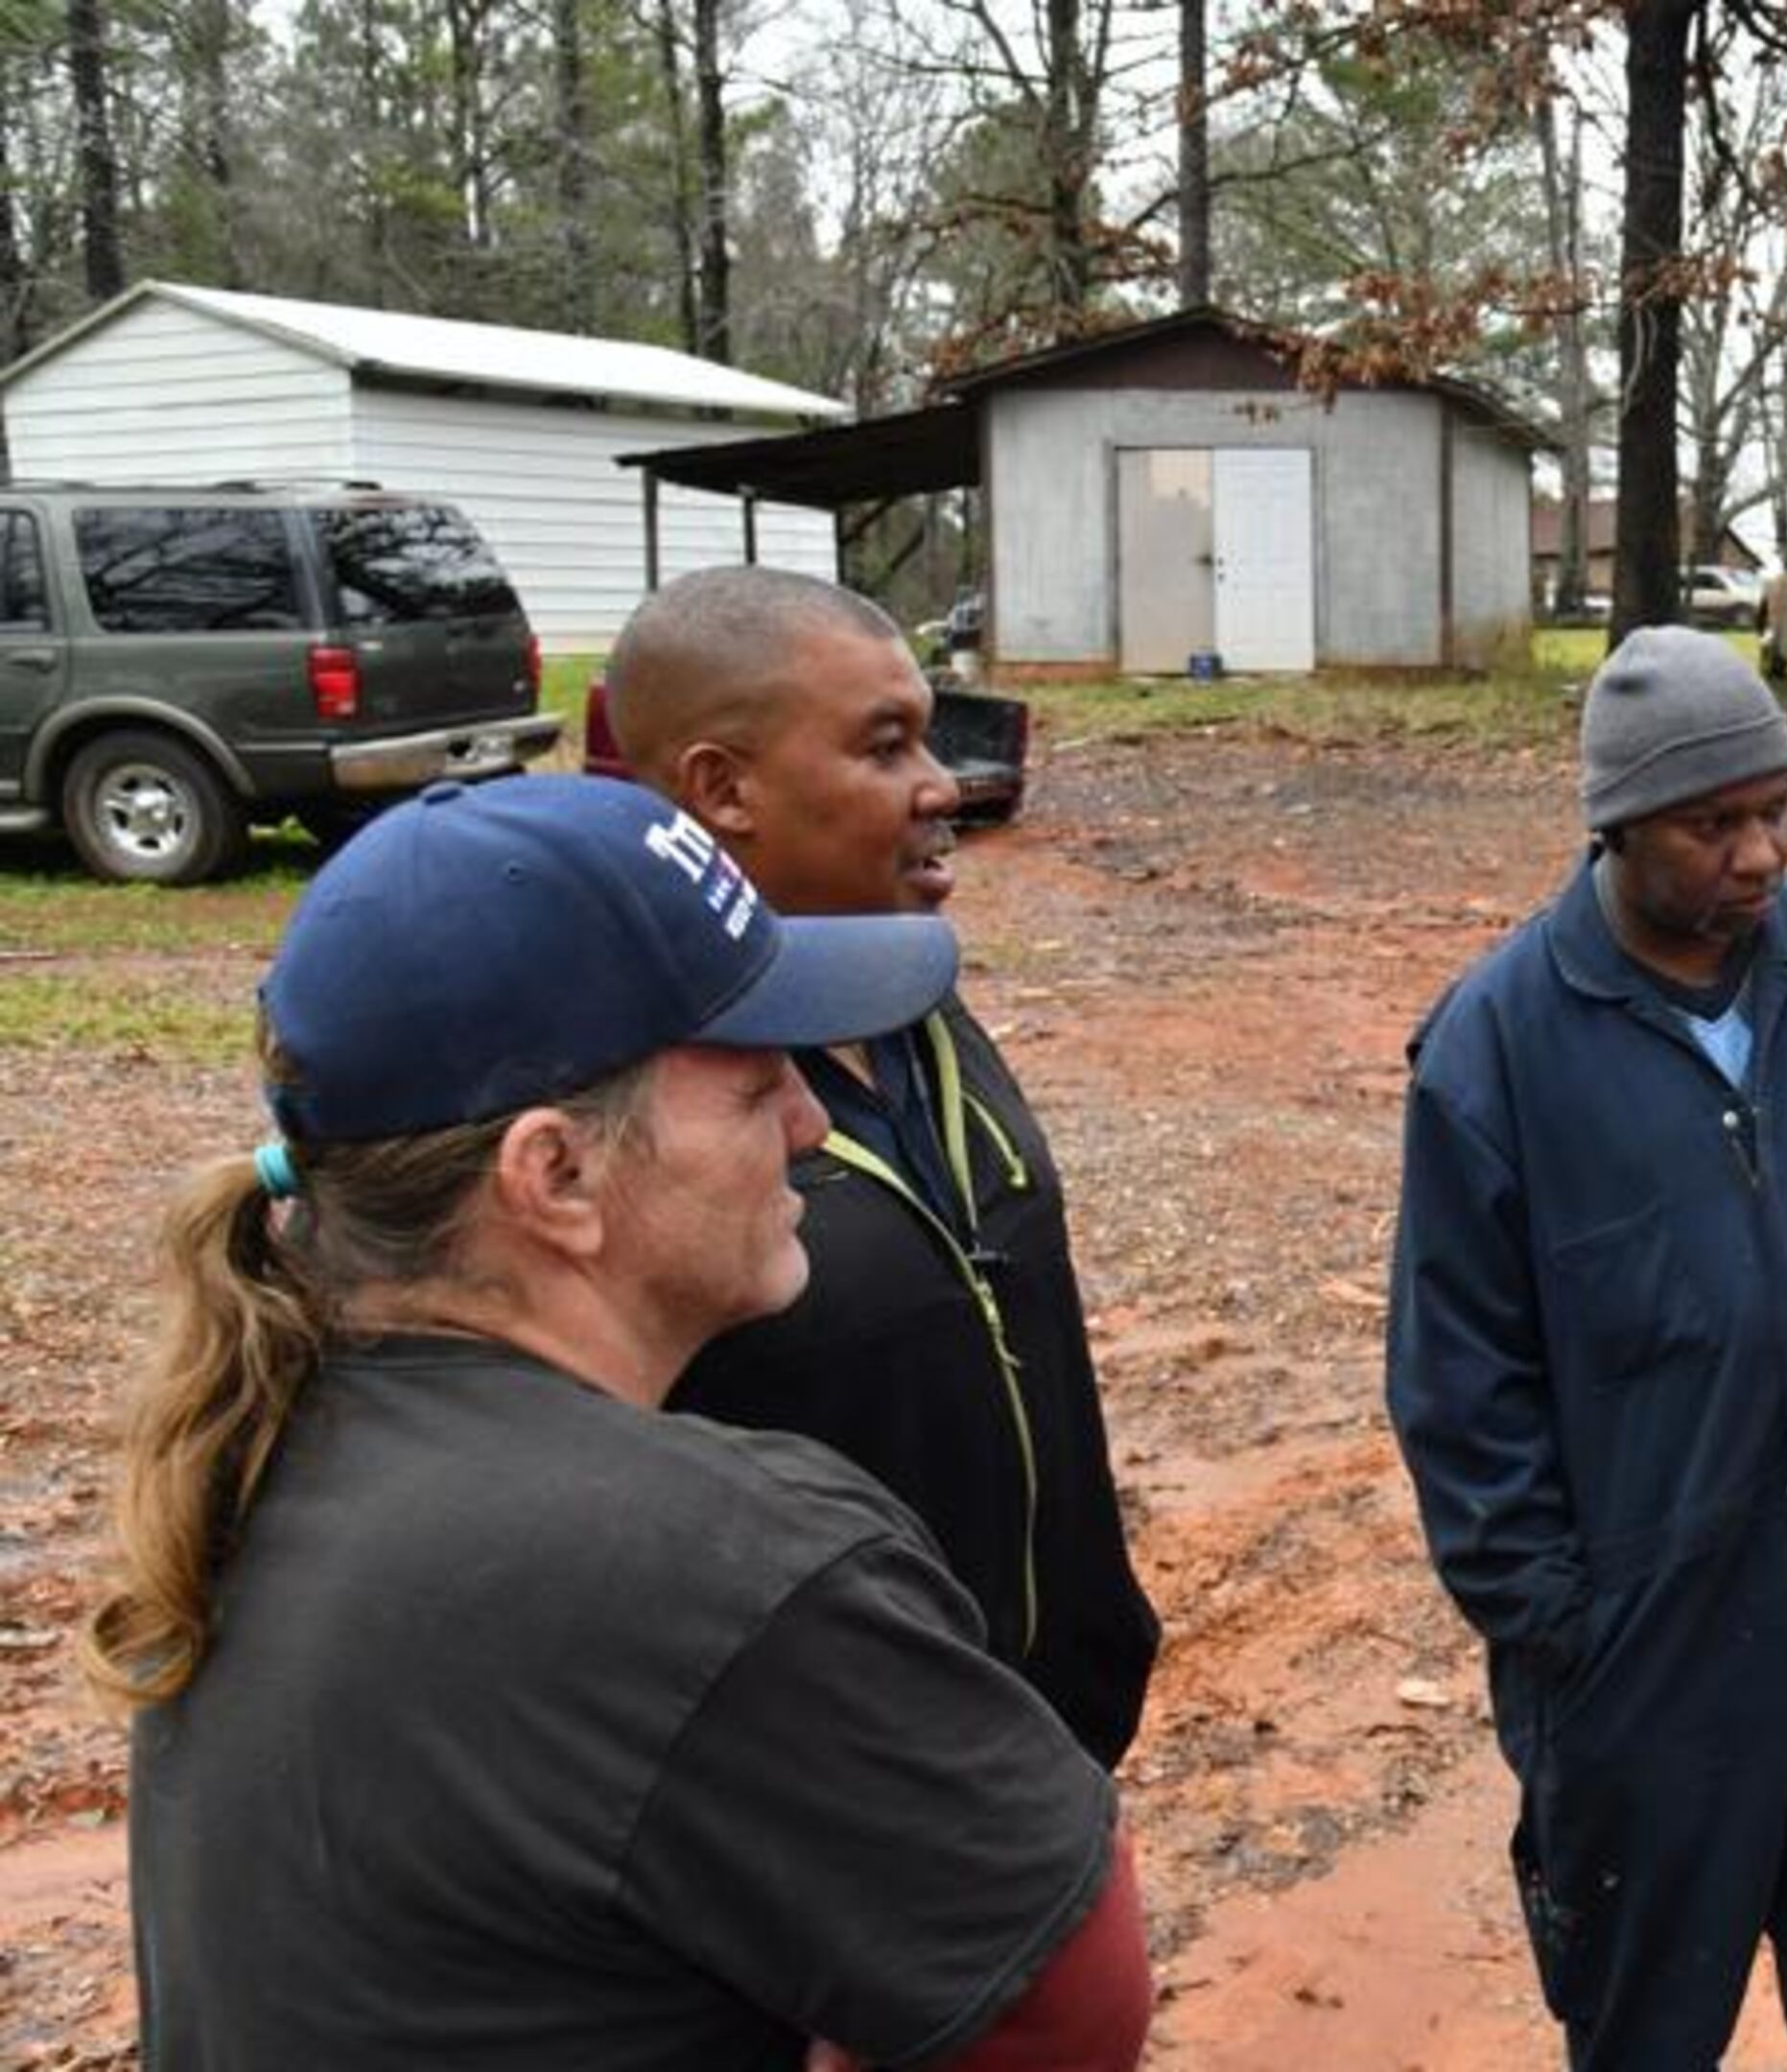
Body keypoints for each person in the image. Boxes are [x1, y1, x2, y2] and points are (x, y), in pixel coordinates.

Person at [85, 774, 1151, 2070]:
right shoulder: (726, 1566)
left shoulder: (261, 1444)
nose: (813, 1124)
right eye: (759, 1091)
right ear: (558, 1175)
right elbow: (1070, 2003)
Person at [1387, 627, 1787, 2069]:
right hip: (1651, 1667)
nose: (1761, 856)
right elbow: (1457, 1388)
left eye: (1778, 811)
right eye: (1712, 823)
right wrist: (1563, 1633)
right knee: (1649, 2028)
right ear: (1615, 828)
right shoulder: (1502, 1049)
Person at [603, 567, 1157, 1768]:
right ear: (723, 788)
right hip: (837, 1791)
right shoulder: (635, 1104)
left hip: (1039, 1738)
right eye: (885, 747)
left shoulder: (917, 1002)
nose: (941, 786)